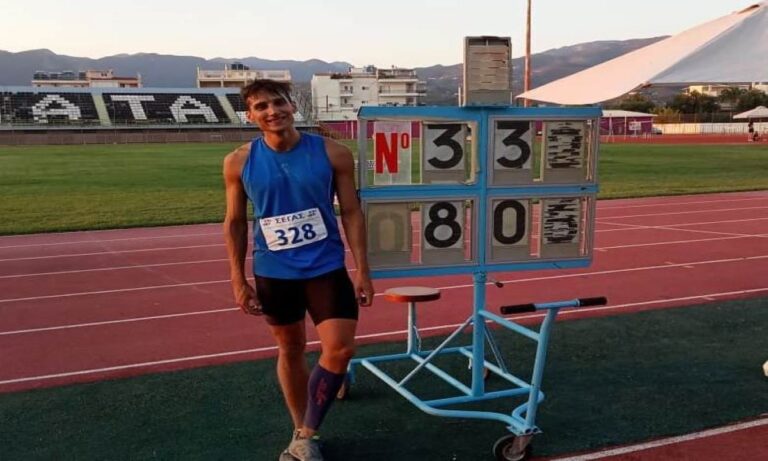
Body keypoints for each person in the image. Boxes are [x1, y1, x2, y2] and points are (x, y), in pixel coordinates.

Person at [222, 79, 374, 461]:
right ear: (250, 116)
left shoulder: (333, 153)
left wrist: (363, 269)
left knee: (340, 349)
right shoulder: (238, 161)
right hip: (274, 271)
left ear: (292, 106)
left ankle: (307, 431)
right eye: (261, 107)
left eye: (278, 103)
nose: (272, 111)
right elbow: (235, 222)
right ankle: (302, 432)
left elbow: (351, 211)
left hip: (325, 266)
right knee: (290, 348)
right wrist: (238, 278)